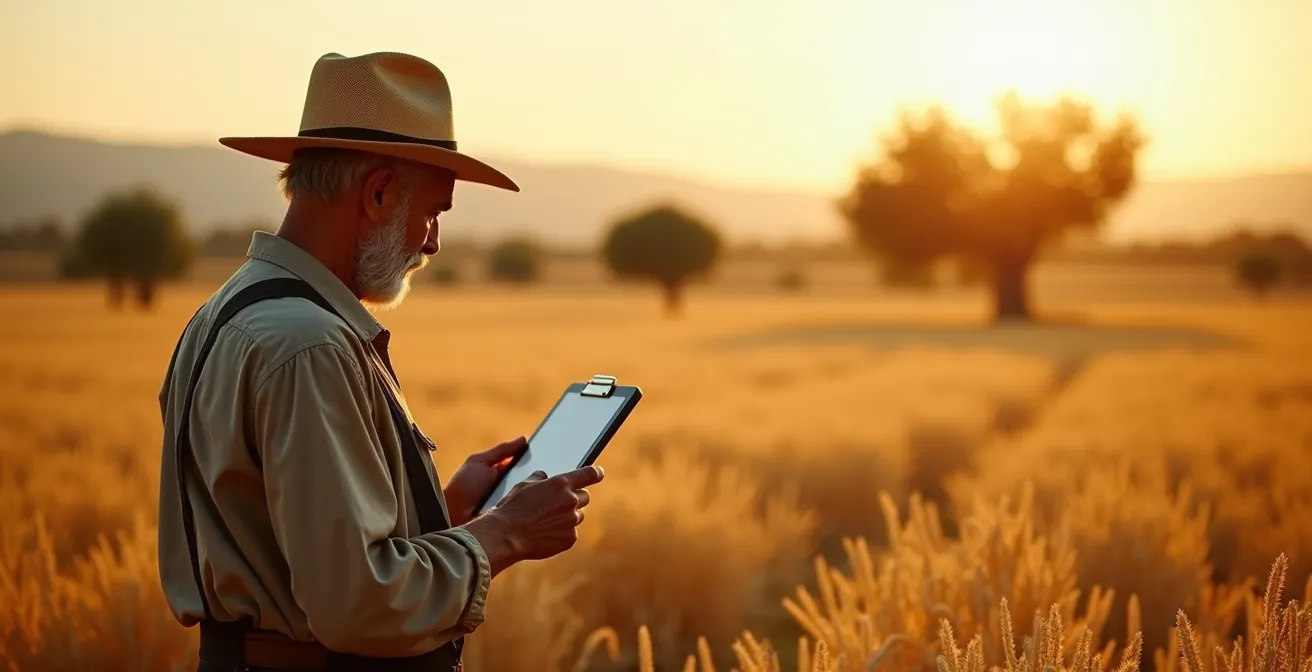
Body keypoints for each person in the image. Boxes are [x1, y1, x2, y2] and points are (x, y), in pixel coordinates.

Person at [156, 51, 603, 672]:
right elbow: (357, 606)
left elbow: (291, 548)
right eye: (433, 212)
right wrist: (507, 533)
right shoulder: (310, 344)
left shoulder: (224, 313)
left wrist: (445, 513)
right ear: (379, 192)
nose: (434, 241)